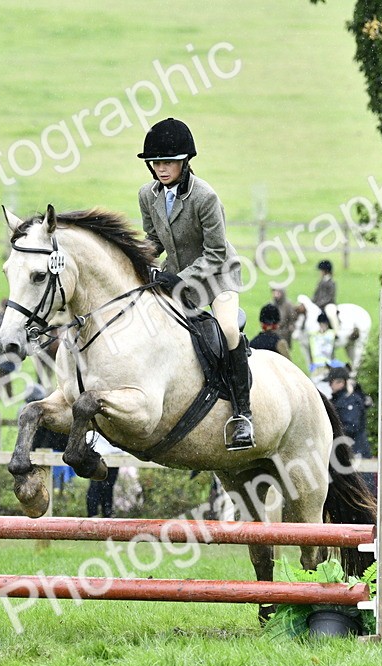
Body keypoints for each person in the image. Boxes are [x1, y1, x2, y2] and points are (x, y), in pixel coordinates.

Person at [137, 117, 253, 450]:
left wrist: (179, 280)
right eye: (156, 162)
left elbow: (215, 253)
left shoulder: (205, 197)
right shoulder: (148, 195)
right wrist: (138, 259)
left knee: (228, 330)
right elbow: (154, 239)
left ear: (185, 162)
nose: (161, 168)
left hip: (217, 277)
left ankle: (242, 415)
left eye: (168, 162)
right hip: (176, 275)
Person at [328, 365, 372, 458]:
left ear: (341, 382)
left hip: (355, 451)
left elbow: (351, 427)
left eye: (331, 382)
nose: (330, 385)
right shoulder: (338, 400)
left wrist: (330, 432)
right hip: (345, 451)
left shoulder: (351, 401)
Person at [0, 298, 20, 401]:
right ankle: (6, 395)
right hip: (12, 350)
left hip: (3, 349)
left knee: (2, 373)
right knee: (5, 372)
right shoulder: (13, 318)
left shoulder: (1, 317)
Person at [86, 432, 123, 517]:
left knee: (108, 486)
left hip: (113, 453)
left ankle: (106, 514)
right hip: (99, 452)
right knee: (96, 486)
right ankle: (93, 514)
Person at [308, 312, 338, 393]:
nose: (322, 326)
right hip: (316, 365)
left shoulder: (330, 334)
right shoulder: (314, 334)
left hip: (326, 365)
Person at [313, 259, 340, 332]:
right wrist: (312, 302)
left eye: (321, 271)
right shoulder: (320, 282)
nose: (320, 273)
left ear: (325, 271)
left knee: (331, 313)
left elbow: (330, 297)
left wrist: (320, 303)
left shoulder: (332, 283)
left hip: (329, 304)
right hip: (319, 304)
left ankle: (336, 331)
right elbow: (316, 294)